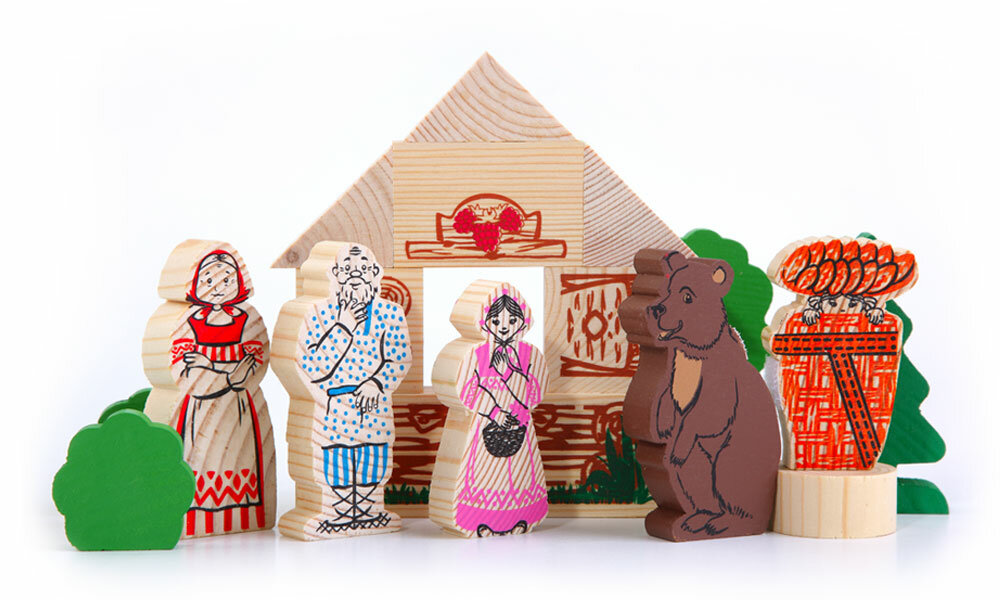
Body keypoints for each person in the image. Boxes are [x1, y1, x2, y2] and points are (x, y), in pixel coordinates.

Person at [299, 244, 410, 535]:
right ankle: (338, 514)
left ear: (375, 273)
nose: (355, 274)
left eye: (362, 268)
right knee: (335, 461)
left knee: (373, 460)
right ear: (334, 274)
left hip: (375, 403)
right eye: (347, 269)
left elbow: (399, 358)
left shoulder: (391, 313)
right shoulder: (317, 314)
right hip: (334, 404)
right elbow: (312, 365)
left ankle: (369, 512)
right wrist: (344, 326)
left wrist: (377, 383)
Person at [169, 250, 268, 535]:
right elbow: (188, 375)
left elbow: (250, 370)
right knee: (199, 455)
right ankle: (198, 512)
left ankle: (240, 512)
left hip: (237, 409)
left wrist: (210, 365)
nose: (217, 287)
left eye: (226, 279)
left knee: (239, 454)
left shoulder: (247, 321)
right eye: (208, 279)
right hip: (199, 408)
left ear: (239, 282)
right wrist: (230, 373)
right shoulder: (189, 322)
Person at [452, 291, 548, 536]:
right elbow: (468, 390)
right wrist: (495, 412)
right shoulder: (476, 355)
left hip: (519, 428)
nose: (504, 327)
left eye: (512, 320)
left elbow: (534, 394)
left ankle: (520, 516)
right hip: (486, 428)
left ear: (523, 322)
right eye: (496, 321)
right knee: (485, 475)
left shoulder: (530, 355)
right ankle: (482, 519)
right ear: (484, 322)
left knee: (517, 475)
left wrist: (512, 372)